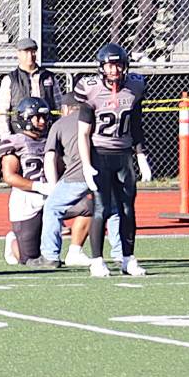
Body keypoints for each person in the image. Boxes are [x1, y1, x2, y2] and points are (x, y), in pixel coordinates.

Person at [76, 43, 152, 278]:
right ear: (101, 67)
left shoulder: (134, 87)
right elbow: (83, 133)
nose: (114, 70)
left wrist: (140, 156)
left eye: (118, 65)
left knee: (128, 209)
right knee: (101, 208)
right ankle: (97, 260)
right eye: (110, 65)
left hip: (123, 156)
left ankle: (127, 258)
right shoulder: (90, 90)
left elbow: (137, 126)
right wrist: (86, 164)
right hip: (100, 155)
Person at [0, 98, 63, 269]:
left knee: (88, 207)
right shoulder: (14, 141)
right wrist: (39, 187)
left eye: (44, 117)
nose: (42, 122)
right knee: (28, 259)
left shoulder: (53, 138)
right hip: (26, 199)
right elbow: (9, 176)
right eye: (37, 117)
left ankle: (76, 250)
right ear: (26, 118)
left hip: (53, 195)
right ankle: (13, 242)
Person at [38, 93, 99, 268]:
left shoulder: (59, 124)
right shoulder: (96, 118)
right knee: (103, 209)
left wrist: (53, 187)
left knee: (52, 207)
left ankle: (50, 255)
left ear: (65, 109)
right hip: (103, 173)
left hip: (77, 176)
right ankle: (120, 254)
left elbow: (50, 158)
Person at [0, 37, 62, 140]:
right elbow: (2, 113)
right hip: (20, 135)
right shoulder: (10, 80)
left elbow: (59, 108)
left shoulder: (49, 77)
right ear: (18, 54)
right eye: (26, 52)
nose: (30, 56)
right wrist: (6, 138)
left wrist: (58, 135)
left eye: (33, 52)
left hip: (47, 135)